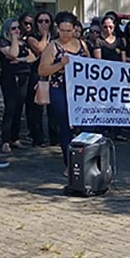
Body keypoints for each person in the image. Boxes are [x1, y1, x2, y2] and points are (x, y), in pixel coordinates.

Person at [38, 12, 88, 174]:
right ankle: (69, 163)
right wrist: (60, 64)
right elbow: (42, 70)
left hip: (80, 91)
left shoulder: (81, 44)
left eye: (69, 30)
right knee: (65, 126)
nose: (66, 34)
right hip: (59, 89)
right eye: (62, 30)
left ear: (75, 29)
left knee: (81, 126)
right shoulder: (52, 46)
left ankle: (83, 160)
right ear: (57, 29)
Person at [0, 17, 31, 153]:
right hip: (9, 78)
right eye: (13, 29)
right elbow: (12, 54)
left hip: (23, 77)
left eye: (18, 28)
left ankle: (14, 137)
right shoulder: (3, 43)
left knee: (19, 108)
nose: (17, 31)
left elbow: (32, 57)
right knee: (10, 107)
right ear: (7, 30)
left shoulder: (24, 43)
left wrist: (20, 59)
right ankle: (5, 139)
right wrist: (15, 41)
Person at [25, 11, 58, 147]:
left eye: (46, 21)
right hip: (37, 74)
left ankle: (55, 137)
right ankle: (38, 138)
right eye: (40, 21)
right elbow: (40, 49)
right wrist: (44, 35)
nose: (43, 24)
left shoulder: (56, 37)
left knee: (54, 108)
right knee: (36, 108)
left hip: (53, 74)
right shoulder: (31, 37)